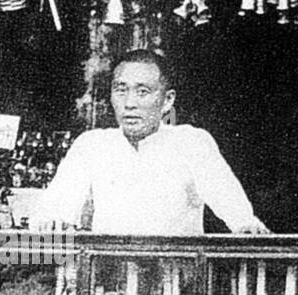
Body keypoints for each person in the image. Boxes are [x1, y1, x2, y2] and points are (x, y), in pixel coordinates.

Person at [31, 49, 267, 235]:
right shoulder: (92, 146)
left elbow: (237, 213)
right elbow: (54, 210)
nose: (129, 103)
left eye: (142, 92)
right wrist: (50, 220)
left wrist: (246, 224)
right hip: (110, 284)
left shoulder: (191, 143)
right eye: (121, 90)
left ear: (167, 101)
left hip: (173, 284)